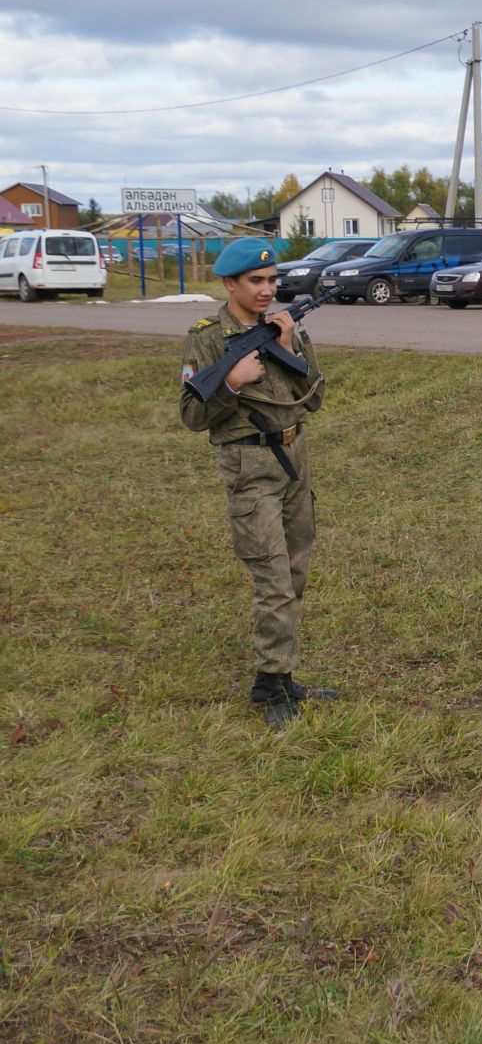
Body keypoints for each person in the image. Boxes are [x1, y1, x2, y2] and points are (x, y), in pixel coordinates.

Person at [179, 237, 335, 730]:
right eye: (256, 281)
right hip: (250, 468)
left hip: (294, 458)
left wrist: (288, 348)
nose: (268, 290)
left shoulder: (284, 328)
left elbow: (314, 399)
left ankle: (285, 678)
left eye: (272, 281)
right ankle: (272, 682)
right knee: (273, 580)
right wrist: (230, 383)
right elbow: (191, 415)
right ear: (229, 284)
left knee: (295, 572)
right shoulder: (206, 337)